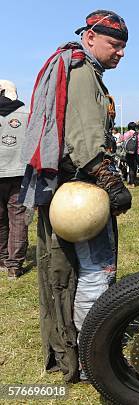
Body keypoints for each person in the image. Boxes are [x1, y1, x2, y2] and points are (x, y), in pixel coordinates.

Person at [18, 10, 131, 382]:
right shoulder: (82, 71)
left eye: (123, 47)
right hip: (81, 190)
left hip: (73, 191)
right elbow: (84, 142)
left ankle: (87, 346)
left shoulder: (83, 69)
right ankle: (90, 355)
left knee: (84, 272)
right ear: (90, 37)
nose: (120, 53)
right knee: (95, 273)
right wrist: (111, 181)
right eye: (115, 45)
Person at [0, 80, 29, 280]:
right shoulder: (27, 114)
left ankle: (2, 259)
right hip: (19, 174)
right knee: (18, 218)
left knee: (0, 220)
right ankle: (14, 266)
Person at [121, 122, 139, 187]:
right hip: (135, 152)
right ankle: (134, 181)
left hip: (128, 152)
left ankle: (132, 183)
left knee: (130, 167)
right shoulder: (137, 134)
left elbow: (123, 141)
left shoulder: (126, 134)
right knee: (134, 167)